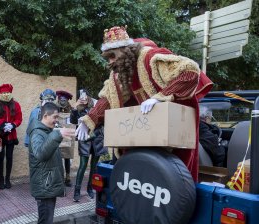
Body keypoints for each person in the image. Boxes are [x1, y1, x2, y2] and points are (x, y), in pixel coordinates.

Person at [75, 26, 213, 181]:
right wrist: (89, 120)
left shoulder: (150, 56)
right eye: (107, 58)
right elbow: (109, 97)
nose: (110, 62)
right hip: (148, 128)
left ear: (125, 49)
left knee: (175, 174)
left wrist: (160, 97)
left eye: (112, 56)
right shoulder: (120, 72)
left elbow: (190, 71)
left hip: (175, 126)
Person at [26, 102, 75, 224]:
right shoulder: (37, 133)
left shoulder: (46, 131)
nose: (56, 120)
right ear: (45, 116)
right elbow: (40, 154)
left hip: (48, 185)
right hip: (44, 187)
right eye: (54, 117)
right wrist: (57, 135)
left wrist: (58, 135)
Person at [70, 89, 107, 202]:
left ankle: (90, 188)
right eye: (81, 96)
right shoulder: (79, 108)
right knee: (83, 165)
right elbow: (73, 121)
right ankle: (77, 191)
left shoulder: (96, 105)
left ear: (88, 96)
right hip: (85, 139)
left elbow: (103, 119)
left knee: (94, 166)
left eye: (85, 95)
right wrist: (75, 107)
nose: (83, 98)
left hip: (96, 138)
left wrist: (92, 121)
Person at [0, 84, 22, 189]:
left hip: (11, 136)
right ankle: (1, 179)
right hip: (0, 136)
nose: (6, 94)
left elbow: (19, 118)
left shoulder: (16, 105)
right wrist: (2, 124)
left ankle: (8, 179)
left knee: (9, 157)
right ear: (0, 94)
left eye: (7, 92)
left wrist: (13, 125)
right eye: (3, 93)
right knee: (0, 158)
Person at [56, 90, 74, 187]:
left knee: (67, 156)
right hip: (58, 135)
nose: (62, 101)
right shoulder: (54, 109)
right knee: (58, 157)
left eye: (64, 99)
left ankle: (67, 177)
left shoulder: (71, 109)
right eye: (61, 99)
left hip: (67, 136)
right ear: (58, 100)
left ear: (67, 100)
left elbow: (75, 121)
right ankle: (59, 177)